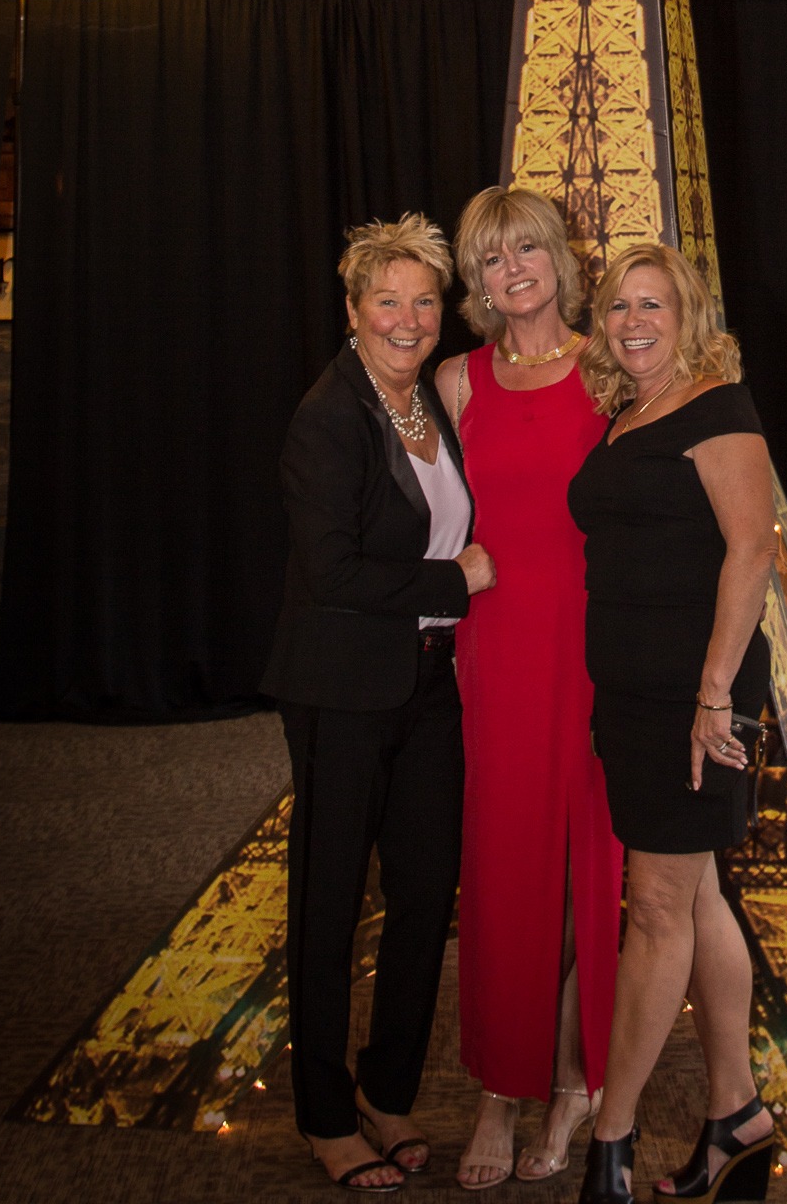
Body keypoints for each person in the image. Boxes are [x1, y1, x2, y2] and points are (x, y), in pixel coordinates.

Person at [262, 214, 496, 1192]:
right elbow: (334, 572)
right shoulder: (328, 416)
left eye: (424, 300)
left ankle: (386, 1091)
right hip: (342, 690)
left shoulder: (430, 401)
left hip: (428, 685)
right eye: (387, 301)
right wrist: (457, 581)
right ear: (354, 309)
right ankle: (324, 1114)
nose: (408, 319)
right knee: (328, 901)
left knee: (424, 893)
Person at [567, 244, 778, 1204]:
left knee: (654, 909)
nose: (632, 322)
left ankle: (610, 1138)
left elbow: (751, 552)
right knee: (696, 899)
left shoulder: (718, 408)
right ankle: (737, 1115)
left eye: (652, 305)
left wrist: (714, 697)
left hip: (695, 701)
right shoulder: (627, 414)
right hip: (631, 695)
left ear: (689, 314)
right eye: (618, 306)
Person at [434, 187, 622, 1191]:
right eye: (491, 259)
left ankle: (575, 1081)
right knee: (505, 870)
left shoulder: (609, 366)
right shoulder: (456, 381)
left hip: (596, 647)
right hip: (498, 646)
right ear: (476, 280)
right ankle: (498, 1089)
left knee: (591, 867)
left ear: (558, 257)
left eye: (526, 251)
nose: (512, 271)